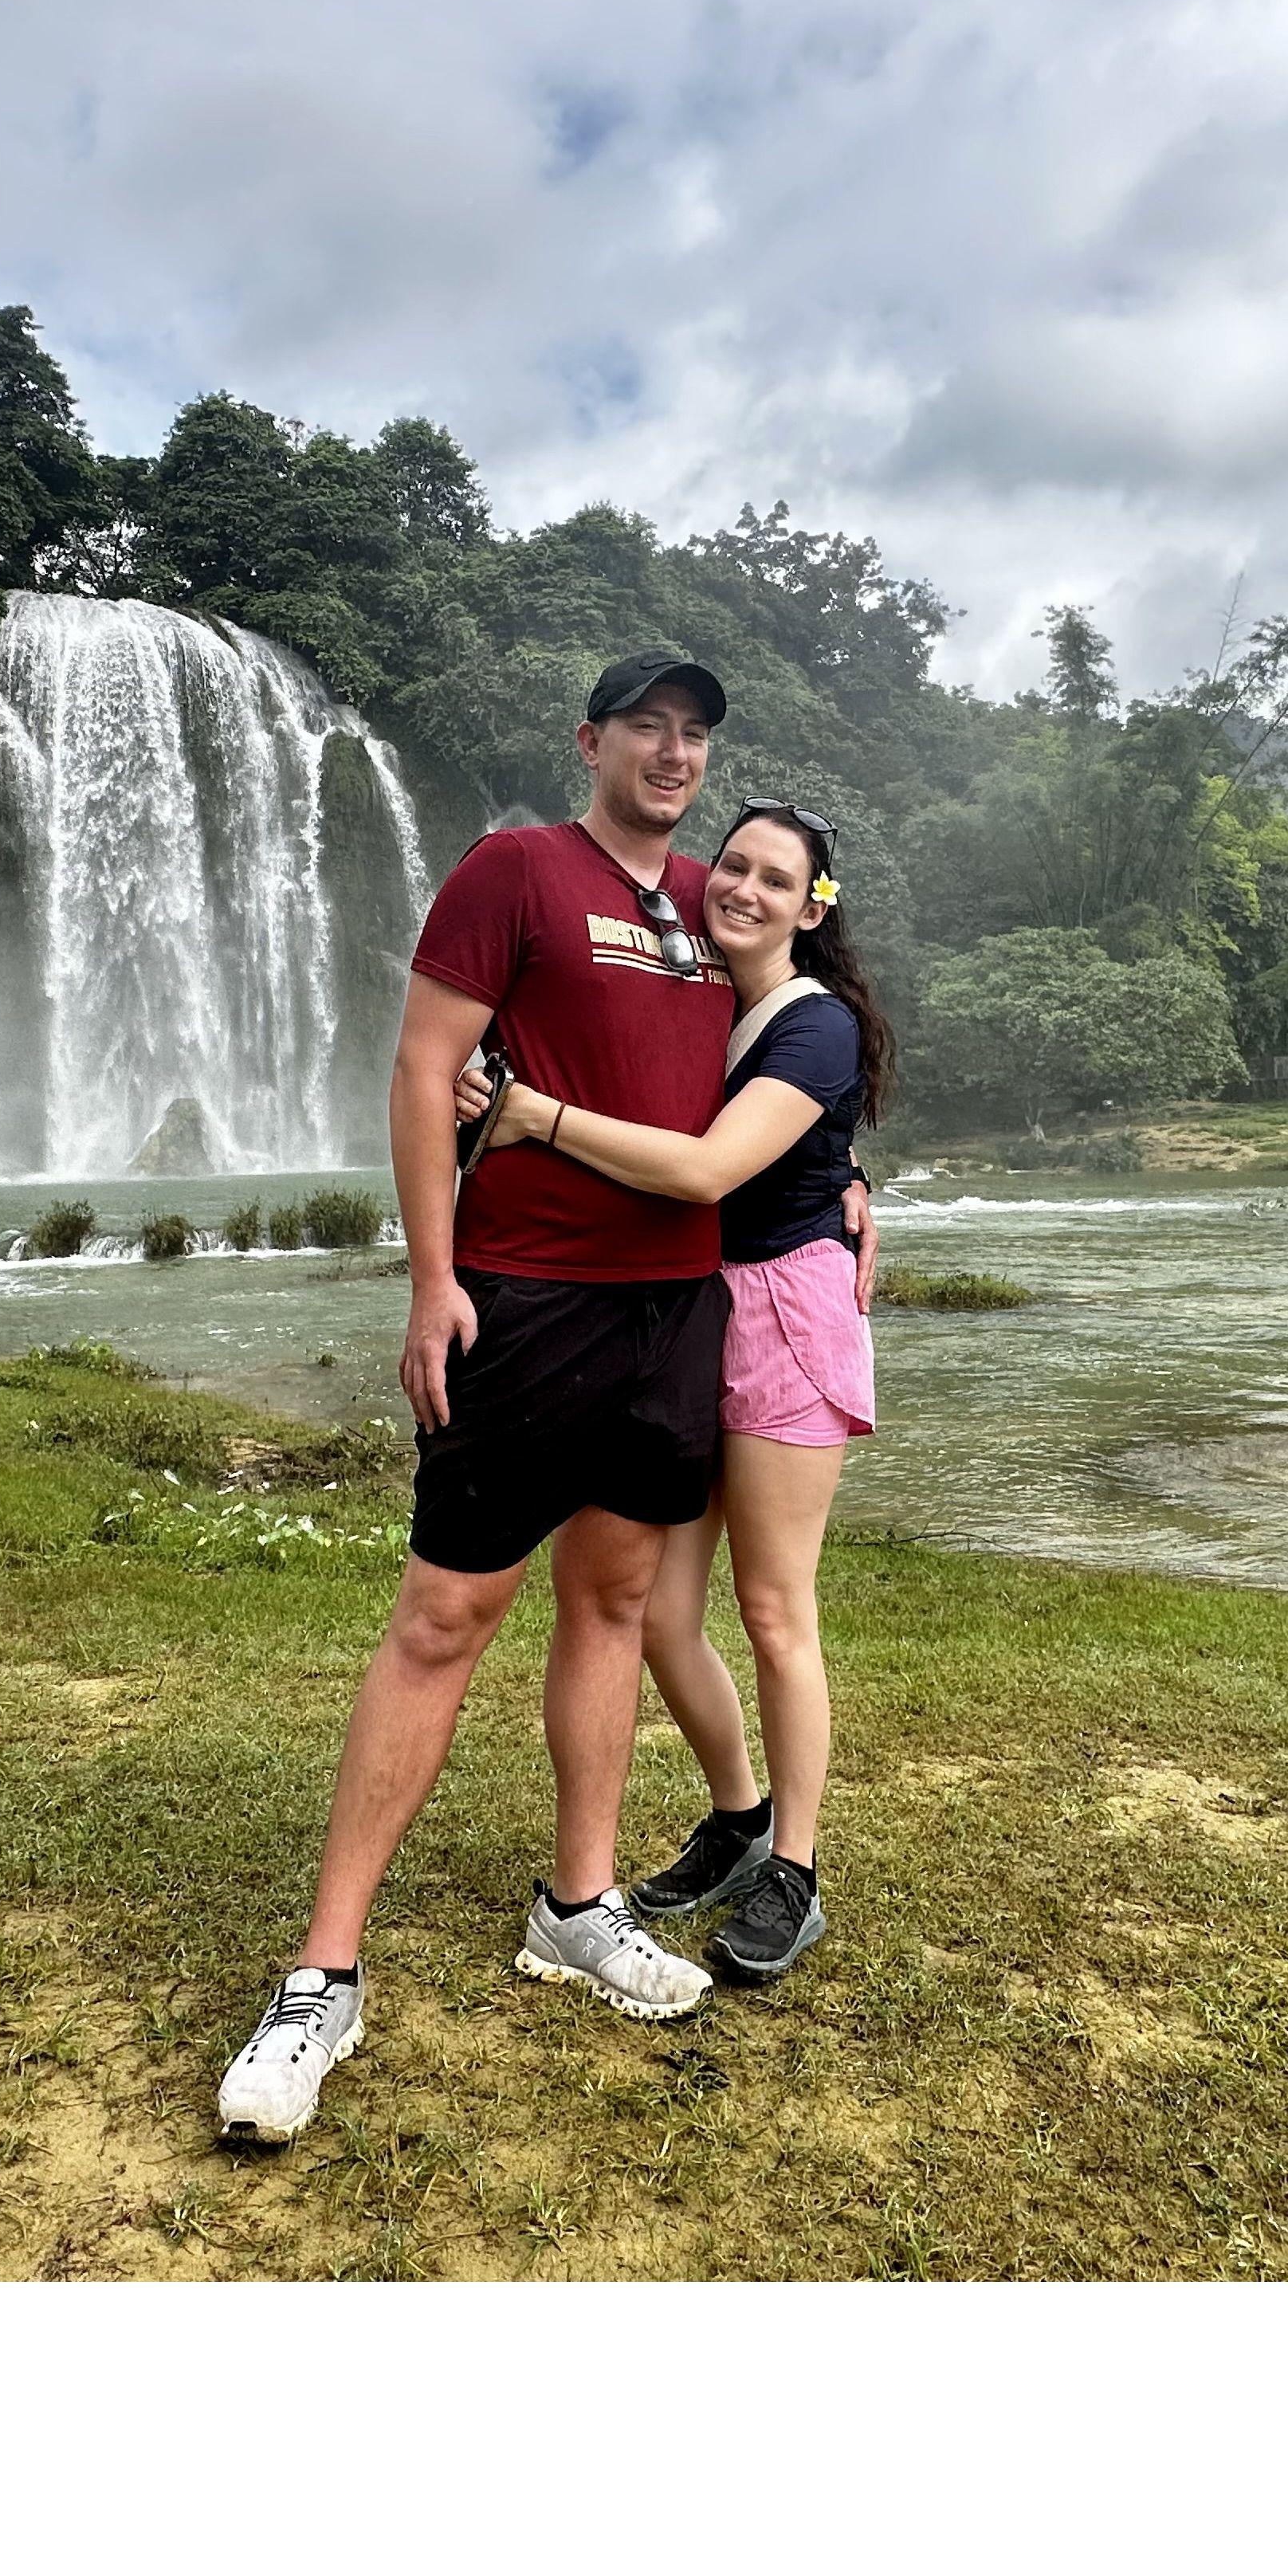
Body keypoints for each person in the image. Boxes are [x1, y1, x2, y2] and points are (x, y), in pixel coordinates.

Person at [214, 654, 874, 2143]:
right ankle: (324, 1972)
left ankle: (577, 1904)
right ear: (592, 741)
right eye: (647, 725)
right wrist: (429, 1279)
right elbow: (423, 1065)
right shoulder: (515, 870)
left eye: (696, 732)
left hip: (678, 1314)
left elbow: (795, 1061)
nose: (673, 750)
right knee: (447, 1615)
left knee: (617, 1599)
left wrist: (852, 1190)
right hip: (524, 1293)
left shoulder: (720, 909)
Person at [457, 800, 891, 1986]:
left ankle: (793, 1871)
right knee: (655, 1611)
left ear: (814, 909)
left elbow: (706, 1166)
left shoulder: (816, 1028)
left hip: (788, 1315)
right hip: (697, 1304)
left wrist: (531, 1116)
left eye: (775, 879)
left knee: (773, 1607)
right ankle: (739, 1818)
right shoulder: (702, 989)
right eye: (733, 864)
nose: (742, 888)